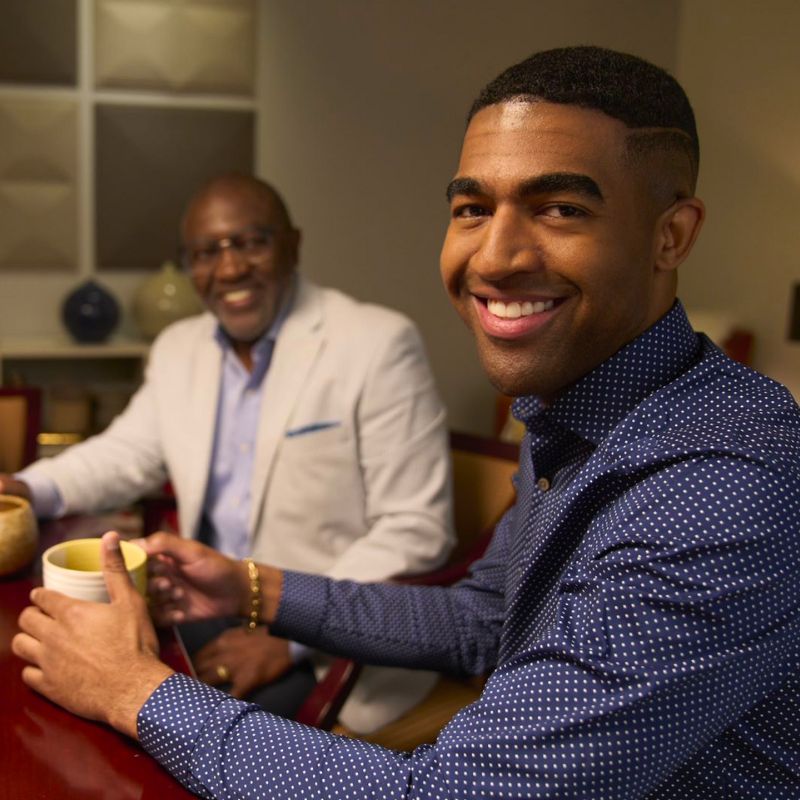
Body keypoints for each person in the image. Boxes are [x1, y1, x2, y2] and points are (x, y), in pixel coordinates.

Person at [14, 45, 800, 799]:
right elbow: (482, 619)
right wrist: (253, 584)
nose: (494, 257)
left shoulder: (725, 487)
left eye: (560, 208)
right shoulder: (574, 409)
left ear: (672, 235)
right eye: (471, 208)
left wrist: (133, 690)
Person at [3, 174, 454, 733]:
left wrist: (285, 637)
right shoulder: (178, 349)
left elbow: (415, 527)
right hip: (200, 608)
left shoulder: (377, 344)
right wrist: (26, 489)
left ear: (292, 244)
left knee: (160, 740)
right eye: (206, 253)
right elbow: (125, 454)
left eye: (250, 242)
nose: (230, 268)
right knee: (61, 685)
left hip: (324, 650)